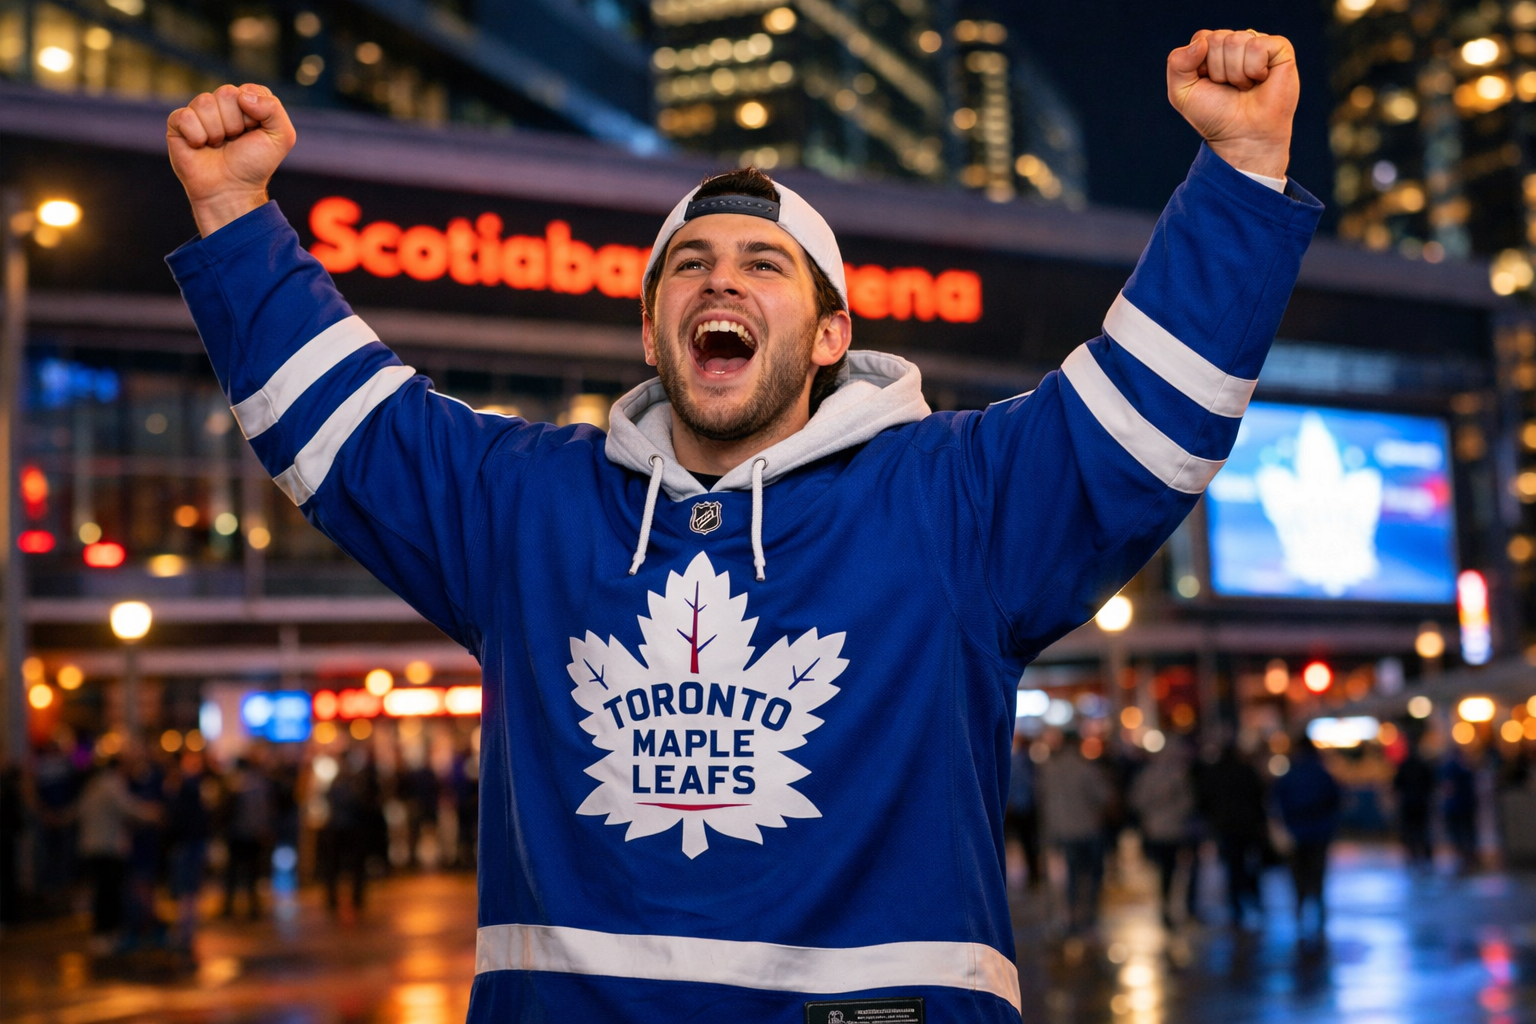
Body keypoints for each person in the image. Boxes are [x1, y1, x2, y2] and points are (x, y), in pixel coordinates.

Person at [163, 28, 1318, 1019]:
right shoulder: (530, 504)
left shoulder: (954, 500)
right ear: (652, 332)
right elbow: (344, 429)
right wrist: (234, 211)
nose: (722, 283)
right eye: (690, 268)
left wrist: (1241, 168)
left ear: (827, 335)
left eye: (766, 264)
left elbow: (1146, 416)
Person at [76, 757, 159, 953]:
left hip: (93, 846)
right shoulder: (113, 785)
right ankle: (105, 934)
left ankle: (101, 934)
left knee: (102, 891)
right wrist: (153, 814)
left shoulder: (94, 785)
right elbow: (129, 809)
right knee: (108, 893)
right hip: (108, 847)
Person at [1039, 734, 1114, 936]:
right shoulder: (1086, 769)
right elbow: (1103, 797)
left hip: (1063, 830)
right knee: (1092, 875)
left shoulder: (1050, 770)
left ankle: (1071, 915)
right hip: (1087, 829)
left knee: (1071, 875)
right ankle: (1089, 916)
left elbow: (1044, 800)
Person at [1270, 735, 1341, 940]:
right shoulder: (1321, 773)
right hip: (1319, 831)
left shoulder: (1291, 774)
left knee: (1299, 874)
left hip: (1297, 832)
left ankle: (1300, 909)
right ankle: (1318, 910)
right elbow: (1335, 798)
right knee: (1317, 873)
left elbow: (1278, 800)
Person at [1129, 738, 1198, 929]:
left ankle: (1168, 905)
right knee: (1166, 870)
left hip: (1169, 830)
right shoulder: (1157, 775)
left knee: (1169, 870)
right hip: (1162, 830)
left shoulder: (1174, 775)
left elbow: (1187, 802)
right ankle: (1166, 905)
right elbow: (1138, 801)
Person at [1197, 743, 1269, 927]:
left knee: (1233, 865)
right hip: (1247, 825)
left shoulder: (1215, 774)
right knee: (1250, 863)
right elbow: (1259, 796)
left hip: (1226, 826)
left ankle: (1237, 905)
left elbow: (1206, 799)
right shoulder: (1247, 771)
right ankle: (1252, 898)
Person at [164, 750, 213, 951]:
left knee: (187, 888)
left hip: (188, 843)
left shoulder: (186, 787)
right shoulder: (190, 787)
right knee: (188, 889)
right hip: (189, 843)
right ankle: (185, 929)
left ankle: (185, 929)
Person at [221, 756, 273, 919]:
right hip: (252, 834)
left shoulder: (235, 784)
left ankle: (229, 908)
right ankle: (253, 908)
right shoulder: (260, 784)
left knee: (233, 873)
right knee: (252, 873)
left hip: (238, 834)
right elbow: (265, 810)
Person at [1004, 732, 1042, 888]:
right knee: (1027, 842)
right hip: (1023, 808)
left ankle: (1033, 873)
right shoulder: (1022, 762)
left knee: (1026, 843)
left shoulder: (1021, 762)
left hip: (1022, 807)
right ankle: (1033, 873)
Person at [1393, 737, 1436, 868]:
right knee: (1423, 831)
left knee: (1411, 831)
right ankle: (1426, 857)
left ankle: (1414, 855)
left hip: (1409, 804)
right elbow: (1432, 783)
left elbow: (1396, 785)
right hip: (1421, 803)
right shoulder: (1423, 764)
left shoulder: (1404, 765)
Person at [1442, 747, 1479, 874]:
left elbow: (1448, 787)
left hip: (1457, 806)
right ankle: (1468, 858)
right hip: (1465, 805)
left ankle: (1465, 857)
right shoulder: (1466, 767)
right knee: (1467, 832)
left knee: (1459, 833)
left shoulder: (1451, 768)